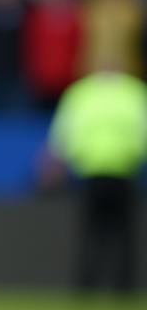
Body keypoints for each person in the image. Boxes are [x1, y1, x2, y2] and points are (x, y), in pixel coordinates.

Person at [48, 61, 147, 294]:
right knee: (117, 234)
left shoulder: (82, 93)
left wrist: (56, 161)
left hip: (99, 172)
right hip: (118, 172)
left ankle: (90, 287)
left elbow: (63, 133)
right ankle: (118, 288)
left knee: (97, 234)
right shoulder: (134, 93)